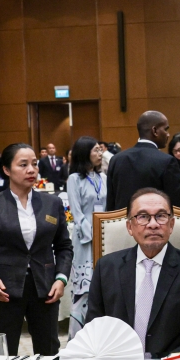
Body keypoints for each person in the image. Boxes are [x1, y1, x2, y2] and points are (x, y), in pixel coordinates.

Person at [85, 188, 180, 357]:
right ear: (130, 227)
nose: (153, 224)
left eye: (161, 216)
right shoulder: (106, 268)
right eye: (143, 217)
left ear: (171, 225)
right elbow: (94, 328)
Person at [0, 143, 72, 355]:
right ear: (7, 170)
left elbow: (64, 245)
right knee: (3, 353)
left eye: (34, 164)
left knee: (48, 351)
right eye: (23, 164)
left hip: (45, 286)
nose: (31, 170)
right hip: (5, 289)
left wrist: (61, 278)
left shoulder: (51, 203)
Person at [65, 136, 106, 339]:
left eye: (101, 150)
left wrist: (105, 232)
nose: (100, 154)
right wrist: (93, 233)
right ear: (85, 153)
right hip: (85, 240)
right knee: (84, 289)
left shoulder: (104, 178)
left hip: (104, 239)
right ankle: (77, 337)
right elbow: (77, 212)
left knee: (102, 287)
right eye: (96, 150)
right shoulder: (74, 179)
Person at [106, 111, 180, 212]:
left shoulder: (116, 160)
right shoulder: (167, 161)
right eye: (166, 129)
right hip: (154, 225)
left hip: (123, 226)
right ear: (155, 131)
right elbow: (177, 206)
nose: (168, 134)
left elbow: (111, 205)